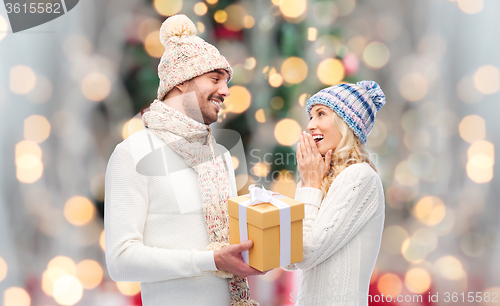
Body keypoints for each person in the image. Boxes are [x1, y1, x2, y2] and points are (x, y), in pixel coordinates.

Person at [104, 15, 261, 306]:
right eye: (215, 79)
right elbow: (120, 260)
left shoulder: (220, 155)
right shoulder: (134, 153)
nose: (226, 91)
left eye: (226, 81)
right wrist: (210, 260)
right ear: (181, 82)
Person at [285, 81, 387, 305]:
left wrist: (310, 185)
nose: (311, 125)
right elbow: (288, 261)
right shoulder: (315, 177)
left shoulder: (360, 177)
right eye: (310, 116)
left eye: (321, 114)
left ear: (346, 123)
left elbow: (303, 253)